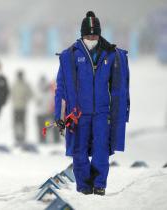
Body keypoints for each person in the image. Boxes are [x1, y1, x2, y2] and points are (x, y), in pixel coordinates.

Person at [54, 11, 130, 196]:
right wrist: (60, 115)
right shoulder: (70, 55)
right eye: (88, 35)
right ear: (82, 35)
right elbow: (61, 89)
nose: (92, 38)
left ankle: (99, 185)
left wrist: (119, 113)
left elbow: (120, 88)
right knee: (79, 152)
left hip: (102, 113)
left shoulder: (111, 54)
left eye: (95, 34)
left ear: (100, 34)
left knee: (101, 150)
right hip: (79, 114)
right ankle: (84, 187)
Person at [11, 70, 33, 145]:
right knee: (16, 123)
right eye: (19, 75)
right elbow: (11, 94)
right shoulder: (14, 85)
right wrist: (14, 100)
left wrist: (26, 99)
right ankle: (17, 138)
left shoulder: (26, 85)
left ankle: (23, 138)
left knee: (22, 123)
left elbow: (30, 94)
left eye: (21, 75)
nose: (20, 77)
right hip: (16, 107)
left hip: (23, 107)